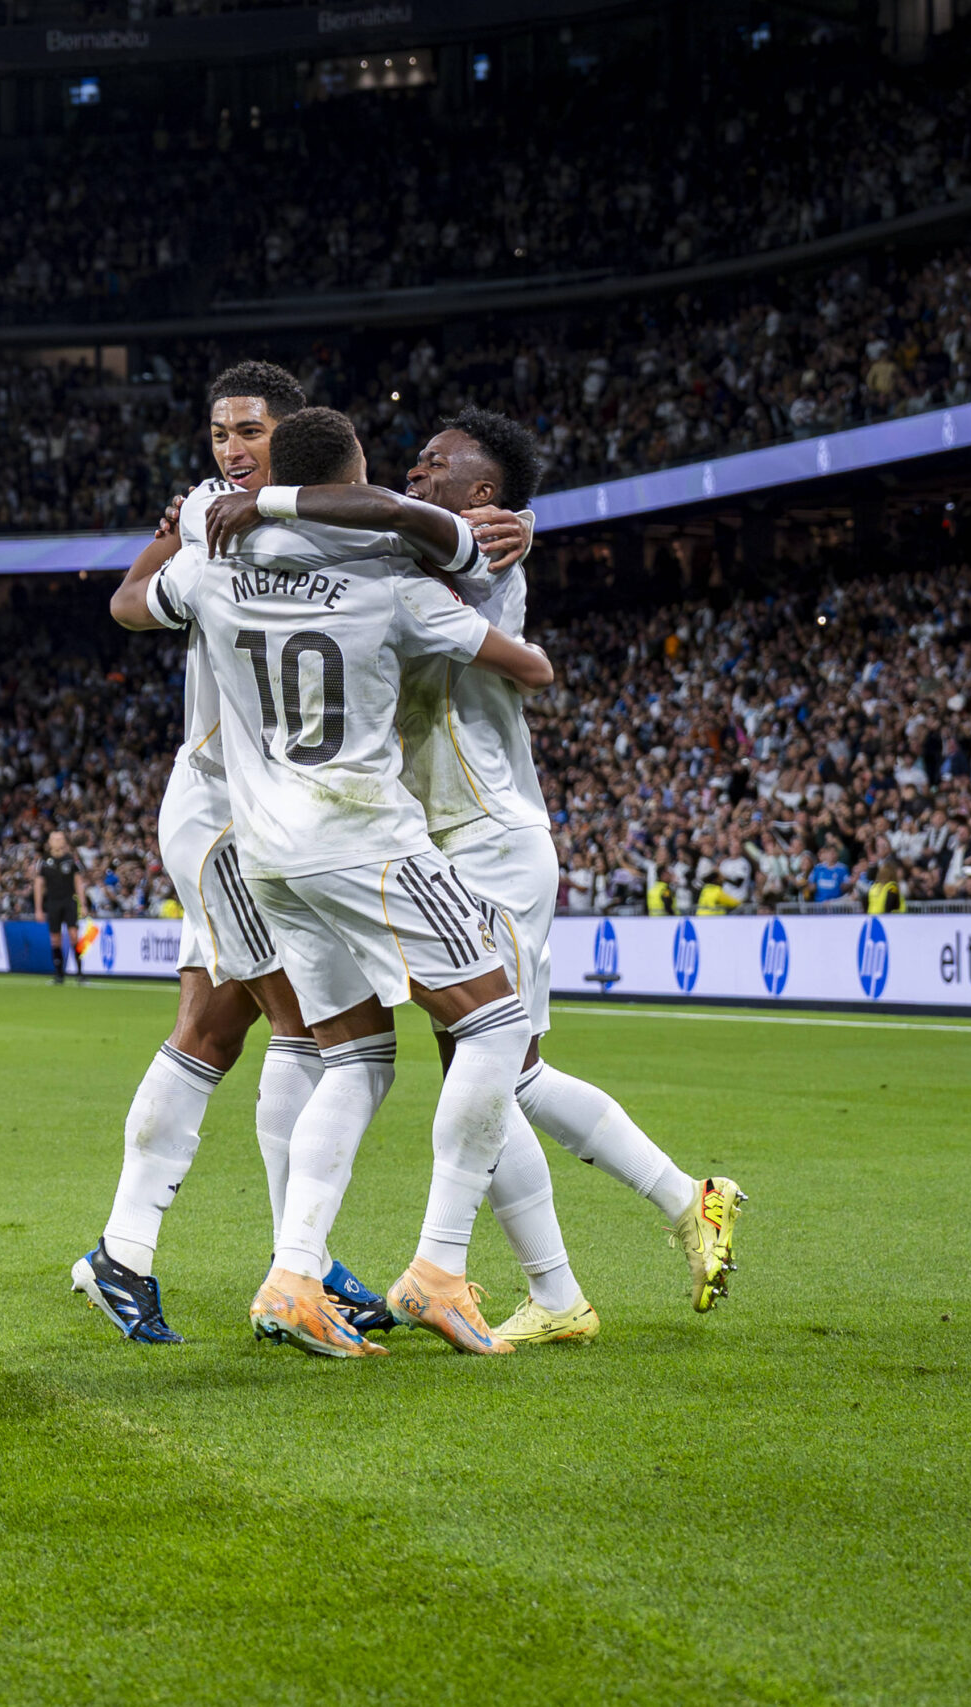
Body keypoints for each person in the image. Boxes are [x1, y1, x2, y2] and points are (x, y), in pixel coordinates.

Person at [121, 406, 555, 1358]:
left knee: (352, 1053)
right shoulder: (390, 570)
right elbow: (529, 664)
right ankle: (440, 1264)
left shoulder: (209, 557)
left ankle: (294, 1275)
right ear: (356, 478)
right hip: (365, 835)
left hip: (264, 851)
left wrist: (197, 518)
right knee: (494, 1020)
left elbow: (127, 605)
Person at [396, 412, 746, 1338]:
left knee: (490, 1061)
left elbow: (384, 523)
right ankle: (633, 1239)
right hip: (456, 837)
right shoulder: (455, 536)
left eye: (438, 461)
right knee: (502, 1069)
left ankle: (558, 1273)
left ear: (484, 495)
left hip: (489, 837)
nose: (415, 468)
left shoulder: (476, 548)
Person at [70, 359, 381, 1346]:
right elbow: (126, 606)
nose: (232, 450)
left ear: (294, 435)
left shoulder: (325, 524)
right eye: (219, 435)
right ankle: (300, 1265)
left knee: (211, 1034)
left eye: (249, 431)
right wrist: (172, 532)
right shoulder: (213, 525)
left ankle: (128, 1254)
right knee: (315, 1036)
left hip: (267, 826)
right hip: (226, 825)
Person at [33, 829, 82, 983]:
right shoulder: (44, 861)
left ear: (64, 841)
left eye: (60, 838)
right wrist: (38, 909)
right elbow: (38, 885)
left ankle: (80, 972)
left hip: (69, 901)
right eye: (54, 838)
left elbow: (78, 882)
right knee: (55, 938)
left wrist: (83, 904)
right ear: (49, 842)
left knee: (74, 935)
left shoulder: (71, 860)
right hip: (53, 902)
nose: (57, 841)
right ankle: (59, 974)